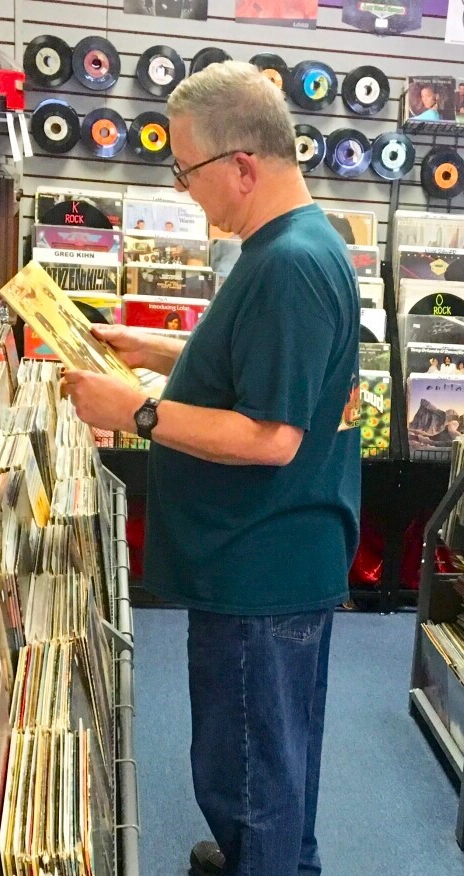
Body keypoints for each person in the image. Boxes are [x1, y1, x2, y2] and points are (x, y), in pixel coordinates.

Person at [62, 61, 360, 876]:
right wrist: (158, 348)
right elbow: (255, 367)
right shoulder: (290, 247)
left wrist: (136, 412)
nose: (186, 189)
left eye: (187, 170)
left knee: (250, 774)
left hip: (259, 571)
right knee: (275, 760)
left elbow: (272, 436)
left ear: (242, 166)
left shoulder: (289, 265)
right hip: (265, 560)